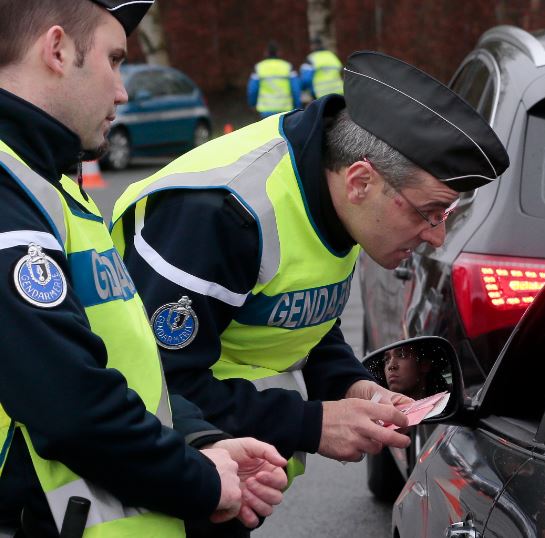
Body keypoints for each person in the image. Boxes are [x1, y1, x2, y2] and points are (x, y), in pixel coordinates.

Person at [110, 51, 510, 498]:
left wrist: (351, 385)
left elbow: (301, 312)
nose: (437, 237)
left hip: (231, 471)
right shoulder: (220, 214)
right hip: (164, 476)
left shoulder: (334, 189)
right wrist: (311, 422)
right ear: (360, 182)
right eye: (429, 212)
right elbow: (154, 382)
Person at [0, 1, 288, 536]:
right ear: (57, 50)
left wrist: (198, 439)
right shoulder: (11, 191)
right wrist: (200, 480)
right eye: (114, 60)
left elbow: (126, 365)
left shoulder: (46, 183)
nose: (122, 91)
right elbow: (70, 407)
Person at [371, 344, 450, 400]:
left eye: (401, 355)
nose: (391, 366)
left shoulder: (444, 402)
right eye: (386, 359)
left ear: (424, 364)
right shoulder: (381, 412)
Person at [247, 41, 301, 118]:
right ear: (279, 52)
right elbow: (296, 89)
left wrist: (252, 105)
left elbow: (252, 90)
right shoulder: (288, 67)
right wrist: (297, 106)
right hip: (285, 110)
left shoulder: (259, 67)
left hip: (265, 110)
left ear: (266, 53)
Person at [299, 36, 343, 101]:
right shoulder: (331, 55)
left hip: (321, 95)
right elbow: (342, 72)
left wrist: (311, 92)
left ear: (312, 46)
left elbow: (306, 80)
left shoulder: (311, 58)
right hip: (339, 92)